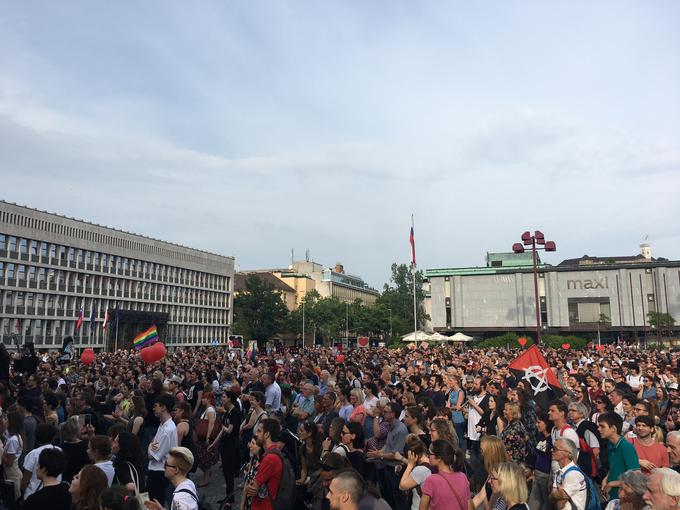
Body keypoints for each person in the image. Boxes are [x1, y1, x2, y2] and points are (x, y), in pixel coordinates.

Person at [599, 411, 641, 501]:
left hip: (623, 498)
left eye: (602, 426)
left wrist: (611, 484)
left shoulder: (626, 447)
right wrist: (606, 479)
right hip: (612, 497)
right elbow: (614, 467)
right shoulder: (610, 444)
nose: (599, 429)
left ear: (613, 428)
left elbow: (635, 477)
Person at [419, 439, 469, 510]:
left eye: (429, 453)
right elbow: (469, 506)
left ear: (439, 458)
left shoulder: (431, 480)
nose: (428, 455)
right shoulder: (463, 477)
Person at [245, 418, 283, 510]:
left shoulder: (270, 458)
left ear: (267, 434)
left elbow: (251, 489)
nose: (256, 434)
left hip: (264, 506)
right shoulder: (272, 453)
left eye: (259, 431)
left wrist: (249, 480)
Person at [147, 393, 178, 506]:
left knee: (156, 504)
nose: (153, 408)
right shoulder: (163, 425)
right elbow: (152, 444)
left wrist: (149, 448)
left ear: (164, 407)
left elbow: (152, 455)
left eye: (156, 405)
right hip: (157, 471)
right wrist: (150, 446)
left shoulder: (167, 430)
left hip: (158, 472)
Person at [217, 390, 242, 508]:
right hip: (225, 444)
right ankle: (228, 497)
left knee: (229, 473)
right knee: (226, 473)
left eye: (224, 397)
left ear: (230, 399)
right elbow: (223, 431)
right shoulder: (227, 412)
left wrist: (221, 425)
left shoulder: (235, 413)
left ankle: (229, 499)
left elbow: (229, 430)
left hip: (232, 446)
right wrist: (213, 444)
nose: (222, 399)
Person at [550, 438, 587, 510]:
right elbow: (551, 497)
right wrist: (557, 494)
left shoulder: (573, 474)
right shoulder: (559, 472)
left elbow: (560, 505)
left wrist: (555, 493)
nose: (551, 450)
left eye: (555, 449)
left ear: (567, 453)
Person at [398, 435, 432, 510]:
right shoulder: (431, 462)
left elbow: (402, 486)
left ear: (412, 455)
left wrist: (410, 465)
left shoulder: (420, 470)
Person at [3, 409, 24, 500]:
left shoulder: (13, 440)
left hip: (12, 474)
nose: (5, 421)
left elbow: (9, 462)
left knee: (12, 499)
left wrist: (1, 453)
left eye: (6, 419)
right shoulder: (13, 436)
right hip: (12, 473)